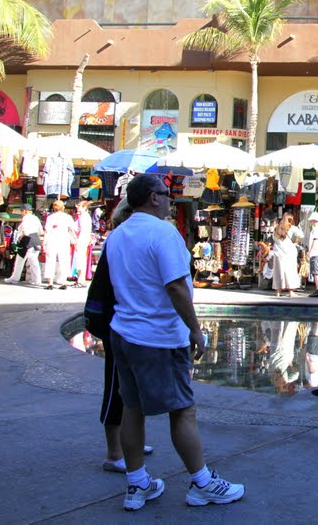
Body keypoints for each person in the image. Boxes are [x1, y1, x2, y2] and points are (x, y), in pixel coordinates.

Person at [106, 174, 244, 511]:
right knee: (183, 410)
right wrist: (195, 330)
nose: (171, 200)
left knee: (132, 409)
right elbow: (176, 287)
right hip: (158, 338)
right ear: (153, 198)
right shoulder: (163, 232)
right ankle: (203, 483)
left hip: (124, 332)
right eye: (167, 194)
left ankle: (137, 484)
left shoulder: (117, 235)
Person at [96, 198, 155, 474]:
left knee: (133, 388)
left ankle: (130, 441)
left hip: (131, 323)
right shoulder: (116, 241)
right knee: (116, 389)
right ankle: (113, 452)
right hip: (118, 323)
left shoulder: (124, 241)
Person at [5, 204, 43, 286]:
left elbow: (25, 231)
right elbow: (41, 231)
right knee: (33, 261)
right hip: (36, 239)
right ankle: (37, 280)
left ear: (25, 211)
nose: (21, 212)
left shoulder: (26, 218)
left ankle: (15, 278)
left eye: (22, 211)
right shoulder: (36, 218)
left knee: (20, 260)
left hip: (27, 240)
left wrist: (21, 236)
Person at [43, 199, 76, 290]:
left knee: (50, 260)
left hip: (52, 240)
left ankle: (50, 283)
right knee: (64, 260)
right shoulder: (68, 217)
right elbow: (73, 229)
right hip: (64, 240)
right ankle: (64, 282)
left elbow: (47, 230)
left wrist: (44, 242)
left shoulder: (50, 217)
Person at [269, 214, 303, 298]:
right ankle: (291, 292)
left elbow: (274, 239)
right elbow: (301, 235)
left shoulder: (277, 228)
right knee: (290, 271)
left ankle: (278, 292)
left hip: (278, 253)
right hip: (289, 252)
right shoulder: (292, 228)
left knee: (278, 272)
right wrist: (295, 242)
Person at [72, 200, 94, 288]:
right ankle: (80, 279)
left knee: (81, 260)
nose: (77, 208)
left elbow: (83, 231)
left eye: (79, 206)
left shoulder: (85, 217)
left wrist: (77, 242)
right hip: (81, 239)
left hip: (81, 240)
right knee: (79, 260)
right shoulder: (82, 216)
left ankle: (81, 280)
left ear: (85, 207)